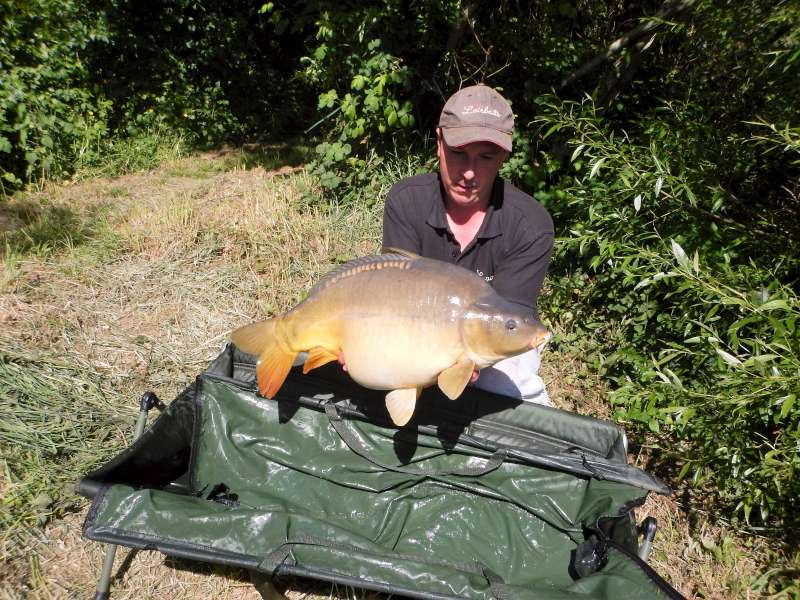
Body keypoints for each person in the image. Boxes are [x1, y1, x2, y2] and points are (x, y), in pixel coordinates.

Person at [382, 84, 554, 405]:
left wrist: (468, 362)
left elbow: (509, 322)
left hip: (490, 340)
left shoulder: (531, 224)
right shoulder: (406, 201)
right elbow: (393, 294)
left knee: (509, 383)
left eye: (486, 157)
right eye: (459, 153)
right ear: (439, 143)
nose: (469, 172)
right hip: (415, 328)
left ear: (503, 156)